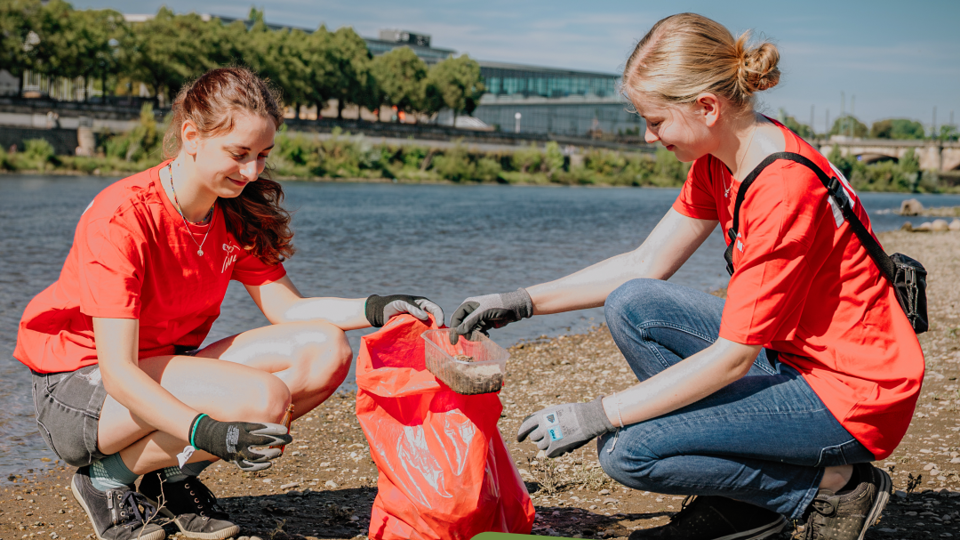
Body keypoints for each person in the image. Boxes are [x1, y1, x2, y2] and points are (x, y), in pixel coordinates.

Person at [449, 13, 923, 540]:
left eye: (656, 121)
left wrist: (598, 413)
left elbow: (732, 358)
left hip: (852, 395)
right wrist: (520, 300)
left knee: (629, 451)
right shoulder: (723, 158)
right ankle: (746, 500)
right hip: (795, 357)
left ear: (706, 107)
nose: (650, 137)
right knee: (634, 304)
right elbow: (643, 264)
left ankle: (831, 489)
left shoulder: (782, 190)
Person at [16, 67, 443, 540]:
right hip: (79, 389)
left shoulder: (232, 214)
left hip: (159, 369)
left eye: (263, 156)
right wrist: (209, 433)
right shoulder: (123, 218)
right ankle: (103, 480)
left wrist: (378, 306)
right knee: (261, 401)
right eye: (239, 154)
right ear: (191, 136)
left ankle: (170, 478)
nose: (252, 172)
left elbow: (290, 311)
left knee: (326, 350)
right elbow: (118, 371)